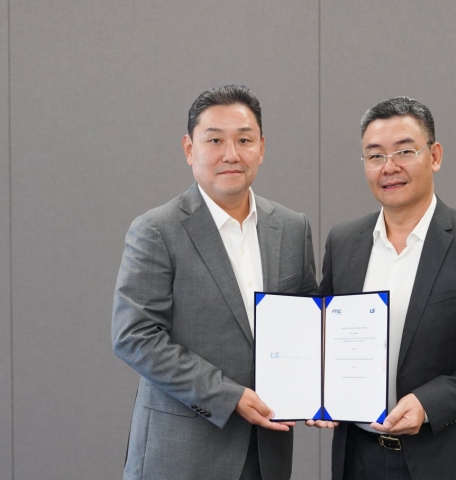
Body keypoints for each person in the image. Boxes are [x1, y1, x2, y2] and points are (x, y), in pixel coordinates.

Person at [307, 96, 456, 479]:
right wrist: (315, 390)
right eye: (374, 155)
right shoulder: (344, 241)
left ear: (435, 155)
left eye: (404, 151)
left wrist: (429, 403)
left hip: (451, 459)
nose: (389, 167)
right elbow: (324, 334)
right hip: (358, 459)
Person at [112, 85, 317, 480]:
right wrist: (229, 396)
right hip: (182, 453)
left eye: (244, 140)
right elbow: (135, 335)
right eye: (215, 140)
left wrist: (327, 392)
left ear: (261, 148)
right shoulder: (157, 230)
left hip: (266, 454)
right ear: (190, 149)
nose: (231, 154)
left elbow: (305, 318)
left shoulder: (292, 228)